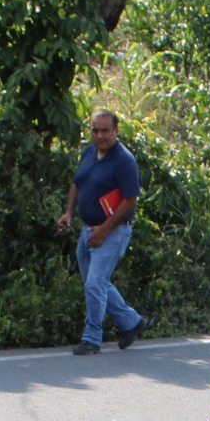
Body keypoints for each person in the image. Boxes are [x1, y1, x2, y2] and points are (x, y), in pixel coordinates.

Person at [57, 108, 146, 356]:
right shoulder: (89, 153)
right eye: (95, 130)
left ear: (116, 131)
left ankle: (92, 338)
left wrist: (104, 231)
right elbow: (77, 183)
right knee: (95, 284)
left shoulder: (124, 160)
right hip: (88, 229)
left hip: (113, 231)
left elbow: (129, 201)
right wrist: (68, 213)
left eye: (105, 130)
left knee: (95, 282)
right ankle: (132, 322)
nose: (100, 135)